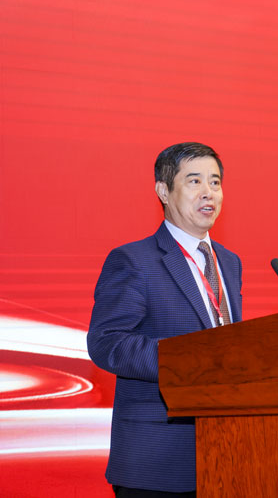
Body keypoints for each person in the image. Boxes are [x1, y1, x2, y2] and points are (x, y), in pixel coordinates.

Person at [88, 142, 243, 497]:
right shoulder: (134, 260)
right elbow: (107, 342)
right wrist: (190, 359)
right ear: (163, 191)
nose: (208, 192)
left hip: (226, 456)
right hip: (156, 461)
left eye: (215, 182)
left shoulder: (229, 262)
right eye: (194, 181)